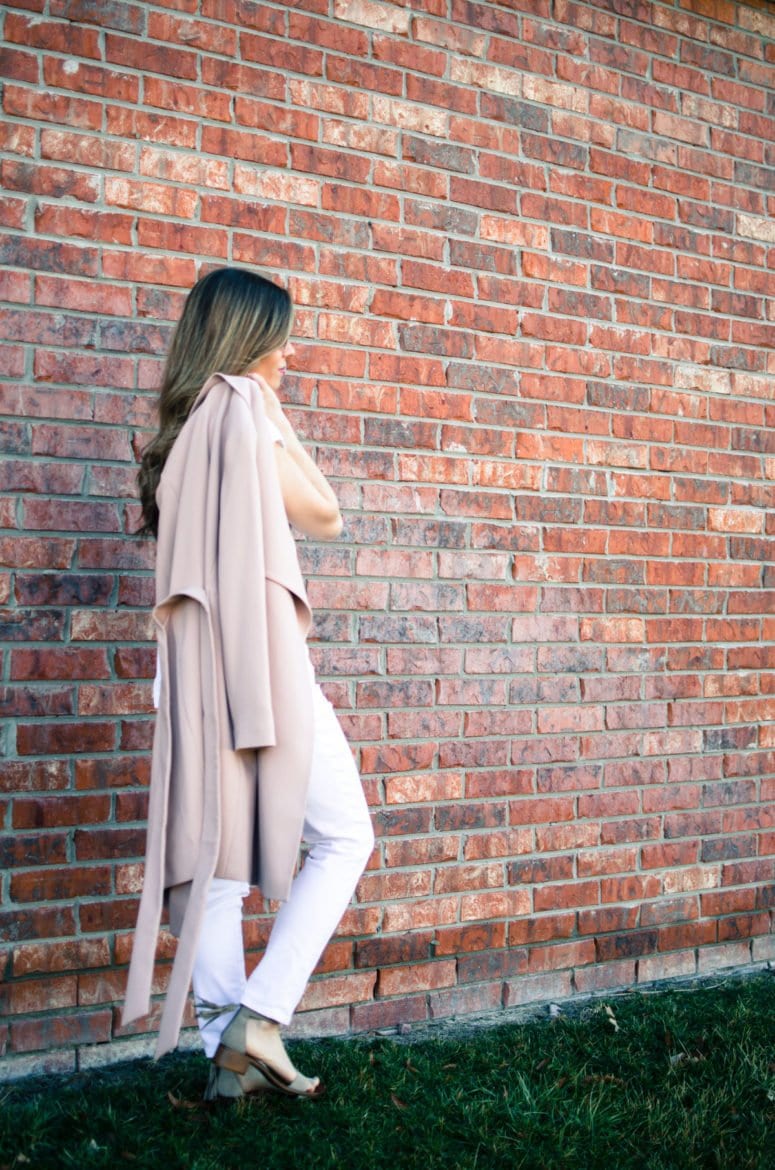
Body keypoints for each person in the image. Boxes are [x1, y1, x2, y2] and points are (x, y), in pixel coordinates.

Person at [122, 266, 375, 1101]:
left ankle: (222, 1050)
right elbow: (326, 513)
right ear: (245, 342)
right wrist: (271, 416)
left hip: (190, 668)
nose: (290, 354)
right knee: (344, 835)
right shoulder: (241, 410)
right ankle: (258, 1018)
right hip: (257, 668)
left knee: (216, 865)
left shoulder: (186, 426)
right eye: (280, 338)